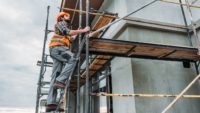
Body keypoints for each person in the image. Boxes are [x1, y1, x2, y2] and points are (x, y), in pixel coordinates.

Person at [46, 12, 90, 112]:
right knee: (73, 59)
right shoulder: (60, 24)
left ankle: (50, 103)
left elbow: (70, 38)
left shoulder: (62, 31)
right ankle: (61, 80)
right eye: (66, 15)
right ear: (61, 18)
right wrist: (83, 30)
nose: (68, 16)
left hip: (56, 50)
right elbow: (68, 32)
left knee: (55, 75)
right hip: (58, 48)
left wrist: (79, 31)